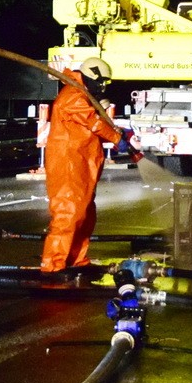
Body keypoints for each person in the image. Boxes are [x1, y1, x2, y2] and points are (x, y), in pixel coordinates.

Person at [40, 57, 136, 274]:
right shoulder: (73, 97)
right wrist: (116, 138)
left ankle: (76, 259)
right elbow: (92, 121)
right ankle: (52, 265)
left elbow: (94, 121)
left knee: (84, 213)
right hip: (68, 164)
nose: (103, 88)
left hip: (82, 163)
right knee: (68, 213)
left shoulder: (83, 94)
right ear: (92, 76)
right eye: (102, 83)